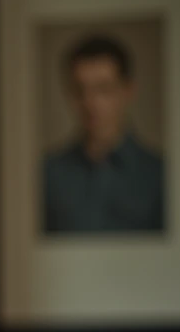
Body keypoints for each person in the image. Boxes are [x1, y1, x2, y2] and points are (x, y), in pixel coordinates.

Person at [43, 34, 165, 233]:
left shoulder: (159, 175)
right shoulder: (47, 174)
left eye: (103, 89)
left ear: (128, 91)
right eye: (80, 90)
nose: (90, 103)